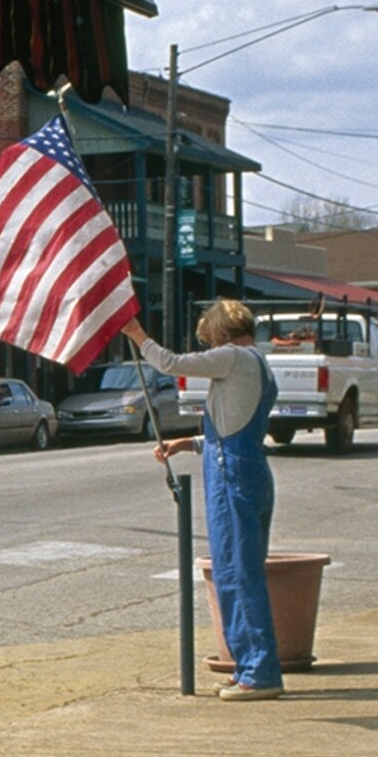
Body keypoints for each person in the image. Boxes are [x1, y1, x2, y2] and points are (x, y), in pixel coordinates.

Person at [128, 300, 284, 700]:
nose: (207, 345)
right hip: (246, 467)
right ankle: (248, 662)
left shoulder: (231, 357)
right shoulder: (258, 363)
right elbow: (234, 429)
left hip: (231, 476)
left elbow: (170, 362)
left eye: (209, 337)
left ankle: (259, 671)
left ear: (221, 332)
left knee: (236, 571)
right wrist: (190, 443)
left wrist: (137, 335)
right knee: (237, 567)